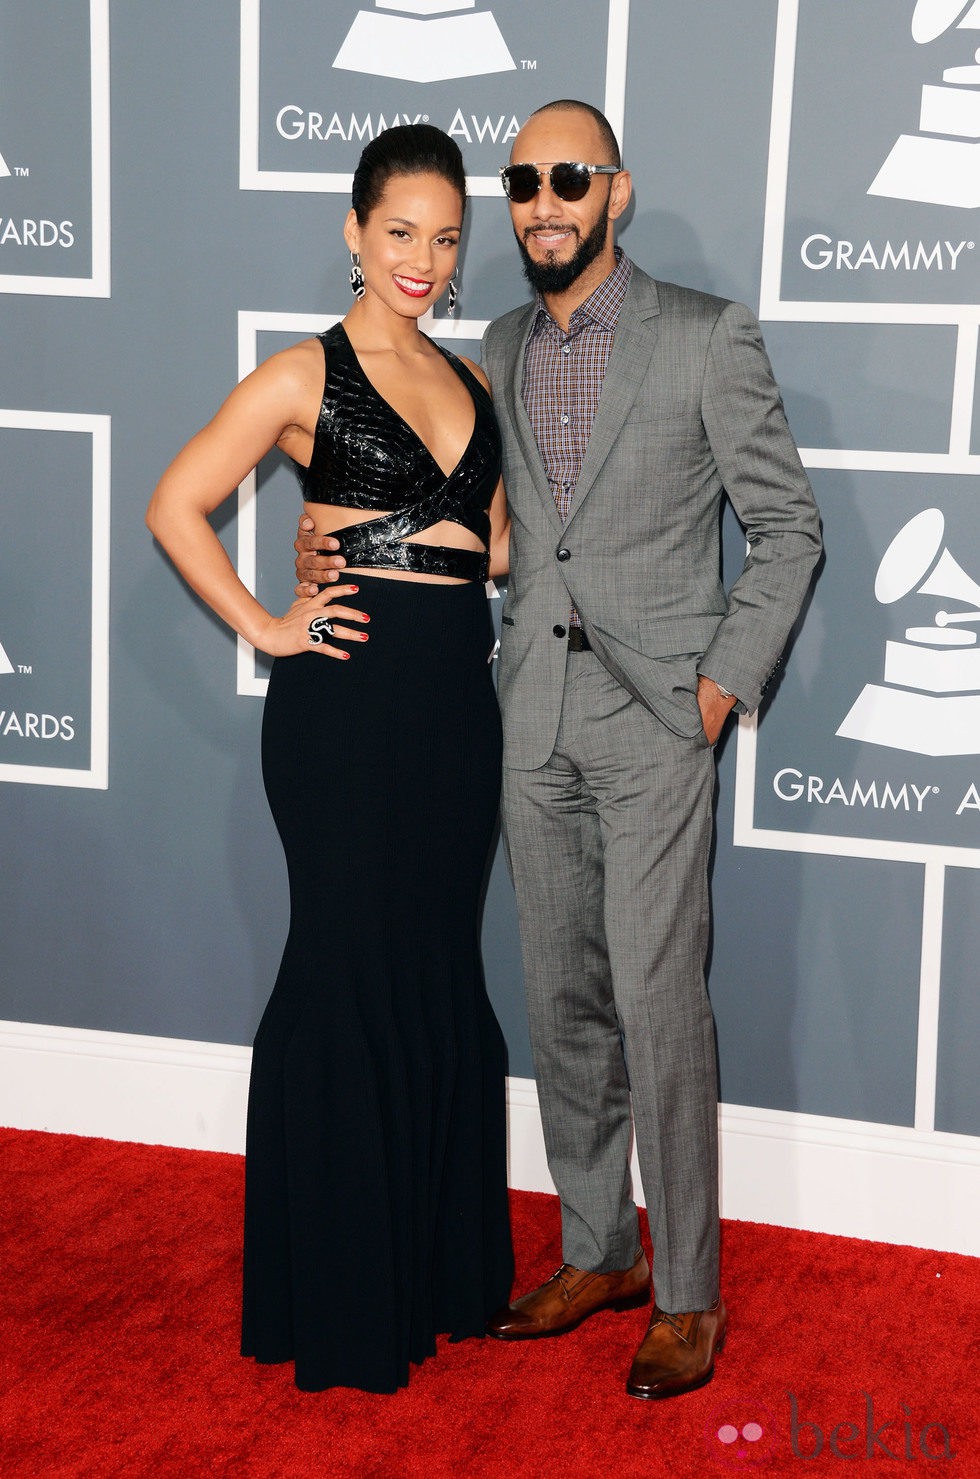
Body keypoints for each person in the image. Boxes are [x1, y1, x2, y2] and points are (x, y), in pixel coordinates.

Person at [296, 100, 822, 1400]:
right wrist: (336, 547)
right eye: (523, 180)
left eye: (567, 177)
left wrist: (717, 690)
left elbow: (790, 528)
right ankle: (602, 1247)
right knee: (561, 997)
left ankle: (689, 1289)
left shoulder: (707, 335)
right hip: (523, 711)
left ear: (615, 192)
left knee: (658, 1005)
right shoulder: (495, 342)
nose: (543, 200)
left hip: (657, 719)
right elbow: (479, 523)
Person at [146, 124, 513, 1394]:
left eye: (446, 237)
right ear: (353, 233)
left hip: (457, 721)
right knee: (346, 971)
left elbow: (499, 550)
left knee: (431, 969)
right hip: (343, 715)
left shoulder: (472, 381)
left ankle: (437, 1274)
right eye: (400, 232)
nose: (422, 258)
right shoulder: (302, 372)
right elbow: (174, 502)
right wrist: (268, 618)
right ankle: (342, 1295)